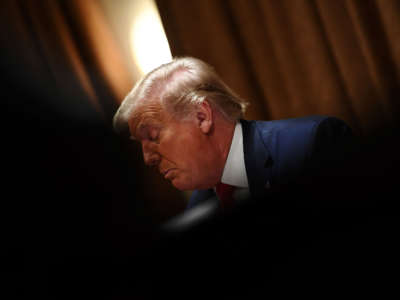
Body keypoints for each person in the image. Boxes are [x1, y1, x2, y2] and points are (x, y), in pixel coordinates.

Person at [113, 56, 353, 213]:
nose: (147, 158)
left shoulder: (312, 145)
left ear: (202, 116)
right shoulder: (197, 209)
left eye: (153, 137)